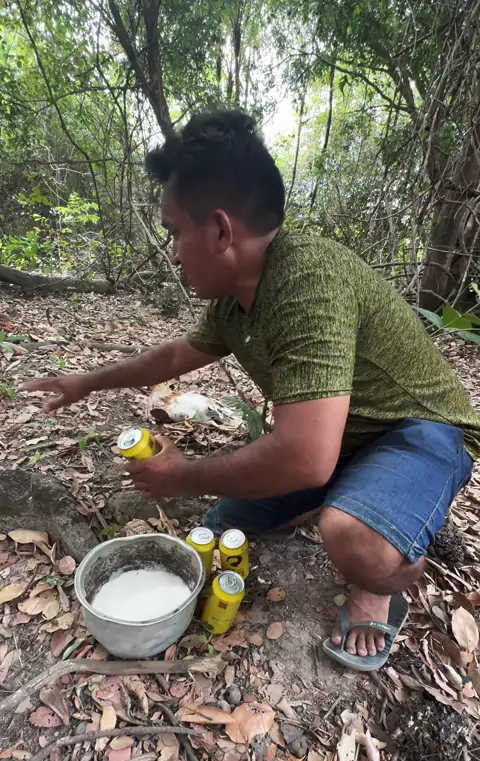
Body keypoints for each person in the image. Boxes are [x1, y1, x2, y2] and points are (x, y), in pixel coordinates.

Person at [21, 109, 480, 671]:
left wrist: (182, 475)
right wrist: (85, 381)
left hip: (420, 432)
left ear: (220, 230)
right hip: (343, 442)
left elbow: (306, 457)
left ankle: (384, 578)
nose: (173, 253)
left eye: (175, 232)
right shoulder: (234, 300)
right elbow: (175, 355)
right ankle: (352, 494)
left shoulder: (309, 279)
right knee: (225, 524)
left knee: (352, 535)